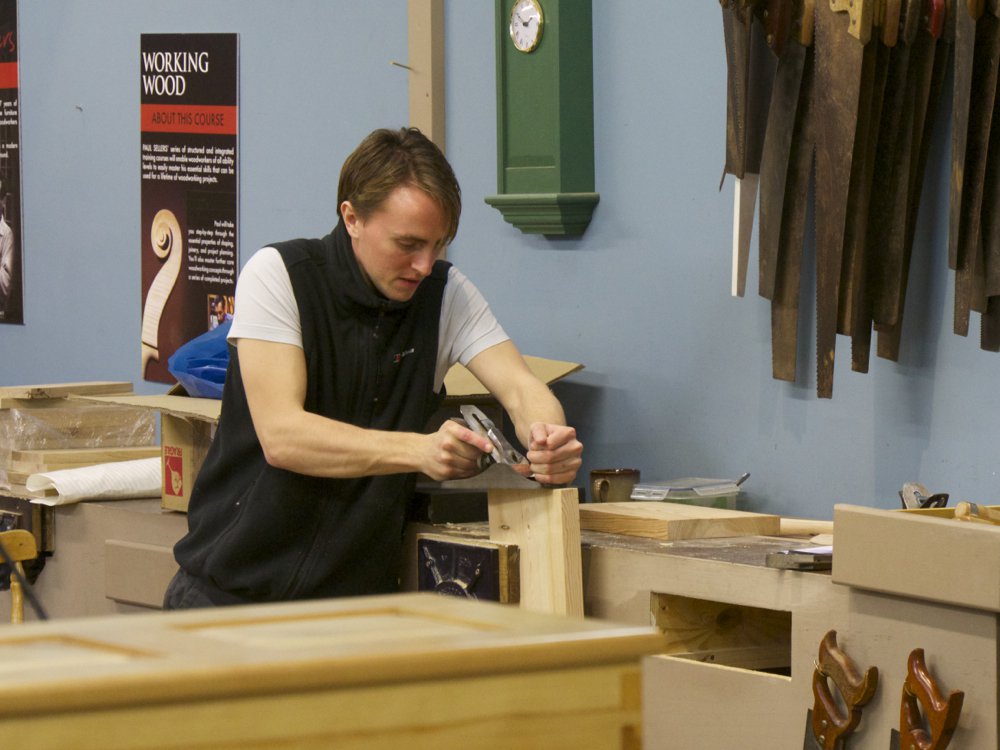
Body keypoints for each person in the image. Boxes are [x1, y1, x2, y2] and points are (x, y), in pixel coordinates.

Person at [165, 127, 583, 608]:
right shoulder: (280, 275)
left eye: (439, 245)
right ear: (352, 217)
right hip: (231, 601)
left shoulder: (444, 294)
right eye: (407, 244)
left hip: (356, 611)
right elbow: (283, 436)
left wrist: (547, 436)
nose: (424, 265)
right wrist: (420, 451)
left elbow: (521, 386)